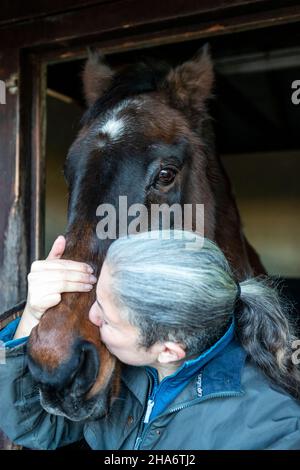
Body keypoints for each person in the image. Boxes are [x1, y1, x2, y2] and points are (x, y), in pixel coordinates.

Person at [0, 230, 300, 450]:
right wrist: (32, 315)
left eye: (107, 317)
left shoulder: (272, 431)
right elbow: (33, 426)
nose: (91, 317)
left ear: (168, 350)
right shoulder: (131, 367)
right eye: (97, 299)